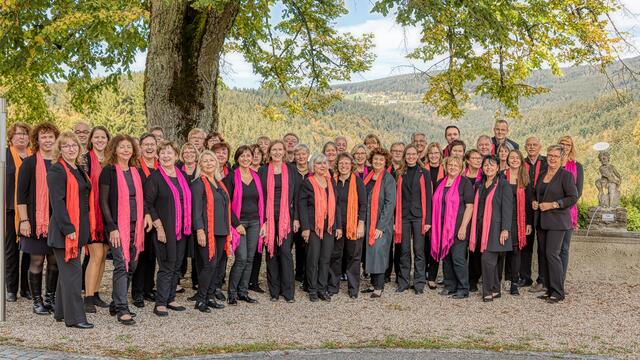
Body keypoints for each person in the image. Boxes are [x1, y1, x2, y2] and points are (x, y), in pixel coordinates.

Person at [47, 132, 94, 329]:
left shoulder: (78, 168)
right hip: (64, 232)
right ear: (60, 149)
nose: (71, 149)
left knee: (67, 274)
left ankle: (61, 312)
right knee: (73, 275)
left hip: (78, 228)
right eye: (66, 146)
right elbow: (57, 203)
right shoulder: (57, 170)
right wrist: (68, 229)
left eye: (74, 145)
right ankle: (75, 318)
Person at [99, 134, 146, 325]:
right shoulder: (108, 171)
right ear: (114, 150)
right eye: (122, 147)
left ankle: (114, 302)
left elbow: (142, 199)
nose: (126, 150)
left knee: (132, 266)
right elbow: (103, 202)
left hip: (136, 226)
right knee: (121, 265)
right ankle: (122, 308)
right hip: (117, 227)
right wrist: (112, 227)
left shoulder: (136, 171)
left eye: (129, 147)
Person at [17, 122, 60, 315]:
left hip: (56, 220)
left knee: (54, 260)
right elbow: (21, 195)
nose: (48, 140)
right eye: (44, 136)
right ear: (37, 139)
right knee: (36, 260)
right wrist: (24, 221)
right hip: (35, 220)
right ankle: (37, 301)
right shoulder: (29, 163)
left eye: (51, 136)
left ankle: (50, 298)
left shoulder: (60, 162)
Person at [144, 141, 191, 316]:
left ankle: (171, 298)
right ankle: (160, 303)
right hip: (164, 229)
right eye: (162, 153)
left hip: (181, 229)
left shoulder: (183, 177)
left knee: (177, 265)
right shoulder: (154, 178)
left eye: (169, 153)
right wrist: (159, 227)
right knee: (166, 265)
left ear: (176, 156)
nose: (165, 156)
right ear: (158, 156)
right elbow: (148, 204)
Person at [532, 145, 578, 303]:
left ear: (562, 158)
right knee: (544, 256)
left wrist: (554, 204)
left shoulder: (566, 176)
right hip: (542, 222)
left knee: (552, 255)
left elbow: (573, 197)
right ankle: (549, 289)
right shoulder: (543, 174)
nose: (551, 158)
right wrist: (534, 202)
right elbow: (536, 193)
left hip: (558, 222)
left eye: (555, 156)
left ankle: (558, 292)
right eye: (549, 155)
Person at [258, 140, 300, 302]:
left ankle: (288, 292)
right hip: (268, 218)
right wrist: (263, 221)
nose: (277, 152)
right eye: (273, 150)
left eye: (279, 149)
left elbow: (296, 196)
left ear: (284, 152)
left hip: (286, 218)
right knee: (271, 252)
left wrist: (296, 217)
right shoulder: (262, 170)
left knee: (285, 252)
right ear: (269, 152)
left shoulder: (291, 170)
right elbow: (259, 198)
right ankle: (274, 291)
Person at [190, 150, 231, 312]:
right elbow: (197, 210)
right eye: (205, 161)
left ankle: (210, 296)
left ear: (216, 163)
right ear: (200, 164)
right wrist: (200, 230)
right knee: (209, 264)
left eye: (211, 160)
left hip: (221, 230)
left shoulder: (219, 183)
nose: (209, 163)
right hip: (207, 231)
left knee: (216, 266)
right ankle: (200, 300)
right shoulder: (198, 183)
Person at [224, 146, 264, 305]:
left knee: (250, 259)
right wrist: (236, 223)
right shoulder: (232, 177)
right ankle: (232, 293)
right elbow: (226, 204)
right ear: (237, 158)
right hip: (239, 223)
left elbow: (262, 200)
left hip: (255, 222)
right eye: (243, 156)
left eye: (249, 156)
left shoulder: (257, 177)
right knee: (241, 258)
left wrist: (263, 222)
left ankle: (243, 292)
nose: (246, 158)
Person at [469, 156, 512, 302]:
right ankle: (495, 290)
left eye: (492, 165)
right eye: (486, 165)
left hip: (495, 228)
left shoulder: (503, 185)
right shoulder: (480, 185)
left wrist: (505, 229)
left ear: (498, 168)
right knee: (491, 261)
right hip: (481, 227)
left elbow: (507, 208)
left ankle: (487, 291)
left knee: (487, 259)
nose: (488, 167)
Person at [299, 154, 340, 302]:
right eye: (318, 163)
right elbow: (302, 207)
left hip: (328, 226)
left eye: (324, 163)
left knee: (325, 259)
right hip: (313, 227)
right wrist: (305, 228)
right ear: (312, 166)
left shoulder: (331, 182)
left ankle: (322, 289)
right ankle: (312, 289)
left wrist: (338, 226)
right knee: (313, 259)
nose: (322, 166)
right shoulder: (307, 183)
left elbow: (336, 206)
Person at [431, 156, 474, 299]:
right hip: (442, 228)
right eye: (450, 164)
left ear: (461, 167)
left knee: (458, 259)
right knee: (446, 258)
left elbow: (469, 207)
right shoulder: (440, 183)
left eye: (456, 165)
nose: (453, 167)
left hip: (457, 228)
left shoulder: (465, 183)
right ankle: (450, 285)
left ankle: (463, 288)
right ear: (445, 166)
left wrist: (463, 227)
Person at [394, 145, 432, 294]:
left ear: (418, 155)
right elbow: (396, 197)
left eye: (413, 154)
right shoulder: (399, 173)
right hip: (402, 216)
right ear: (405, 156)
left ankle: (419, 283)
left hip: (419, 217)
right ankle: (403, 282)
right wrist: (394, 220)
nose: (410, 157)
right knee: (403, 251)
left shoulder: (425, 173)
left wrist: (428, 220)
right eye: (408, 154)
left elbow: (428, 197)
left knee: (419, 251)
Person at [359, 148, 396, 298]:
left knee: (378, 252)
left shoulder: (388, 179)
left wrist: (380, 226)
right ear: (371, 160)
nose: (378, 162)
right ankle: (373, 284)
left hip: (381, 223)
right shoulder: (368, 177)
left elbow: (390, 203)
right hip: (368, 221)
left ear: (385, 161)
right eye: (375, 159)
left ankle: (379, 287)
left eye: (381, 160)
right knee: (369, 253)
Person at [82, 126, 111, 313]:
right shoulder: (85, 159)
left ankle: (97, 292)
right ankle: (88, 297)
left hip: (107, 213)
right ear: (91, 139)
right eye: (97, 137)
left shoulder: (110, 160)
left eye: (103, 137)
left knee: (103, 259)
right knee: (96, 255)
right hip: (92, 214)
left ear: (108, 140)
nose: (100, 140)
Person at [329, 152, 366, 298]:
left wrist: (360, 224)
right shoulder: (332, 181)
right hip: (337, 224)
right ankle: (333, 286)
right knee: (335, 256)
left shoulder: (357, 182)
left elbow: (363, 205)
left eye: (347, 163)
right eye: (341, 163)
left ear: (352, 166)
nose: (344, 166)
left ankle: (353, 289)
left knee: (353, 257)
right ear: (337, 165)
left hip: (353, 224)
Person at [5, 122, 32, 302]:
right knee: (11, 250)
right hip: (9, 209)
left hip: (30, 209)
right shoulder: (4, 155)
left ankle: (26, 288)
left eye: (24, 134)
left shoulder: (34, 156)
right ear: (11, 137)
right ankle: (11, 288)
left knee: (30, 249)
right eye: (18, 134)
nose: (21, 137)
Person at [132, 133, 158, 307]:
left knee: (152, 255)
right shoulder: (135, 167)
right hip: (141, 215)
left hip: (158, 216)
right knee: (140, 256)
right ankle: (137, 292)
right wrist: (146, 213)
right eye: (146, 144)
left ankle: (149, 288)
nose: (149, 147)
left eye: (152, 144)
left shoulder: (160, 166)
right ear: (140, 147)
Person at [503, 150, 533, 295]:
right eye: (511, 158)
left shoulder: (525, 177)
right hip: (503, 217)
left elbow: (528, 203)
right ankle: (502, 279)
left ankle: (514, 282)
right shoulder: (501, 175)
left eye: (517, 158)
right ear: (507, 160)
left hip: (518, 219)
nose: (514, 160)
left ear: (521, 160)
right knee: (501, 249)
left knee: (515, 250)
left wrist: (528, 223)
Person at [520, 136, 547, 289]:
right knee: (526, 245)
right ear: (525, 147)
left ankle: (542, 279)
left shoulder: (546, 162)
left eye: (534, 145)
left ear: (540, 147)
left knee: (542, 246)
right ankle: (525, 277)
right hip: (526, 210)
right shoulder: (521, 163)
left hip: (543, 209)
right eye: (529, 145)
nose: (531, 147)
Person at [558, 135, 584, 283]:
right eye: (562, 143)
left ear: (571, 147)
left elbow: (578, 191)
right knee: (551, 250)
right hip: (552, 211)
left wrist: (563, 204)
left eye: (568, 144)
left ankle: (560, 281)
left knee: (564, 248)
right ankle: (549, 280)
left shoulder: (577, 166)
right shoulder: (552, 164)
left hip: (568, 211)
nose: (564, 146)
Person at [424, 142, 444, 288]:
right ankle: (423, 272)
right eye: (431, 153)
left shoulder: (447, 171)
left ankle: (432, 276)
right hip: (424, 210)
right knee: (423, 245)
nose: (434, 156)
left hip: (440, 212)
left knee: (435, 243)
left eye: (436, 153)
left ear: (440, 155)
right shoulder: (422, 170)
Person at [291, 144, 310, 285]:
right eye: (298, 154)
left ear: (308, 155)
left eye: (304, 154)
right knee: (293, 242)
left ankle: (304, 273)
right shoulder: (291, 170)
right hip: (291, 212)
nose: (301, 157)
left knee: (305, 244)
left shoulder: (313, 171)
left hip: (309, 213)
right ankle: (296, 272)